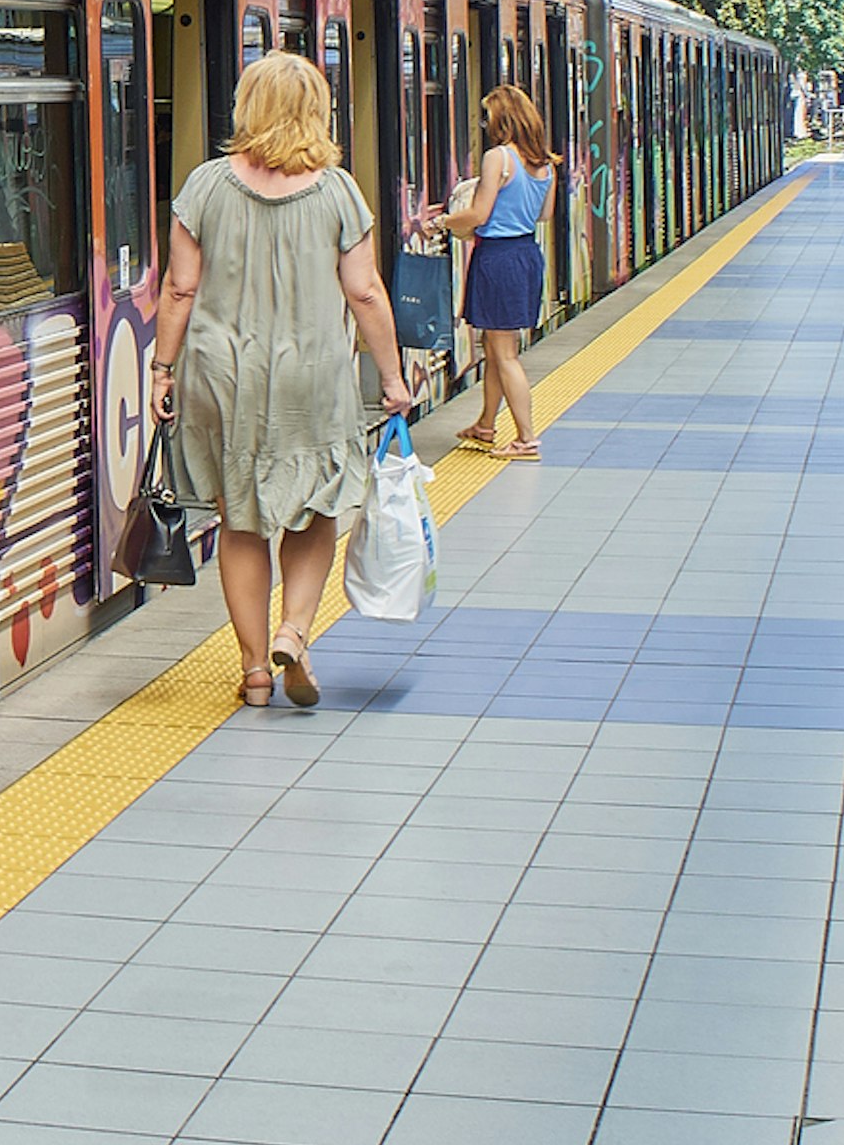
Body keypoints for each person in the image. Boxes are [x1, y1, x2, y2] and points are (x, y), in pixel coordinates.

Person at [146, 54, 413, 710]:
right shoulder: (338, 191)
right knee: (315, 507)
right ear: (315, 110)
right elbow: (366, 294)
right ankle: (293, 630)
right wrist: (393, 376)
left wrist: (160, 367)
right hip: (312, 375)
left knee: (240, 520)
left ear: (248, 107)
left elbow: (180, 288)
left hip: (221, 374)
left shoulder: (205, 186)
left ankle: (253, 672)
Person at [417, 84, 561, 459]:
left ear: (502, 118)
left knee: (504, 352)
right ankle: (485, 424)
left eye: (487, 115)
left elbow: (479, 215)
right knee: (498, 347)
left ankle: (526, 438)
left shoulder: (498, 158)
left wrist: (444, 222)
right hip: (527, 253)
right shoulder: (545, 164)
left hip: (497, 257)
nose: (484, 123)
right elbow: (545, 215)